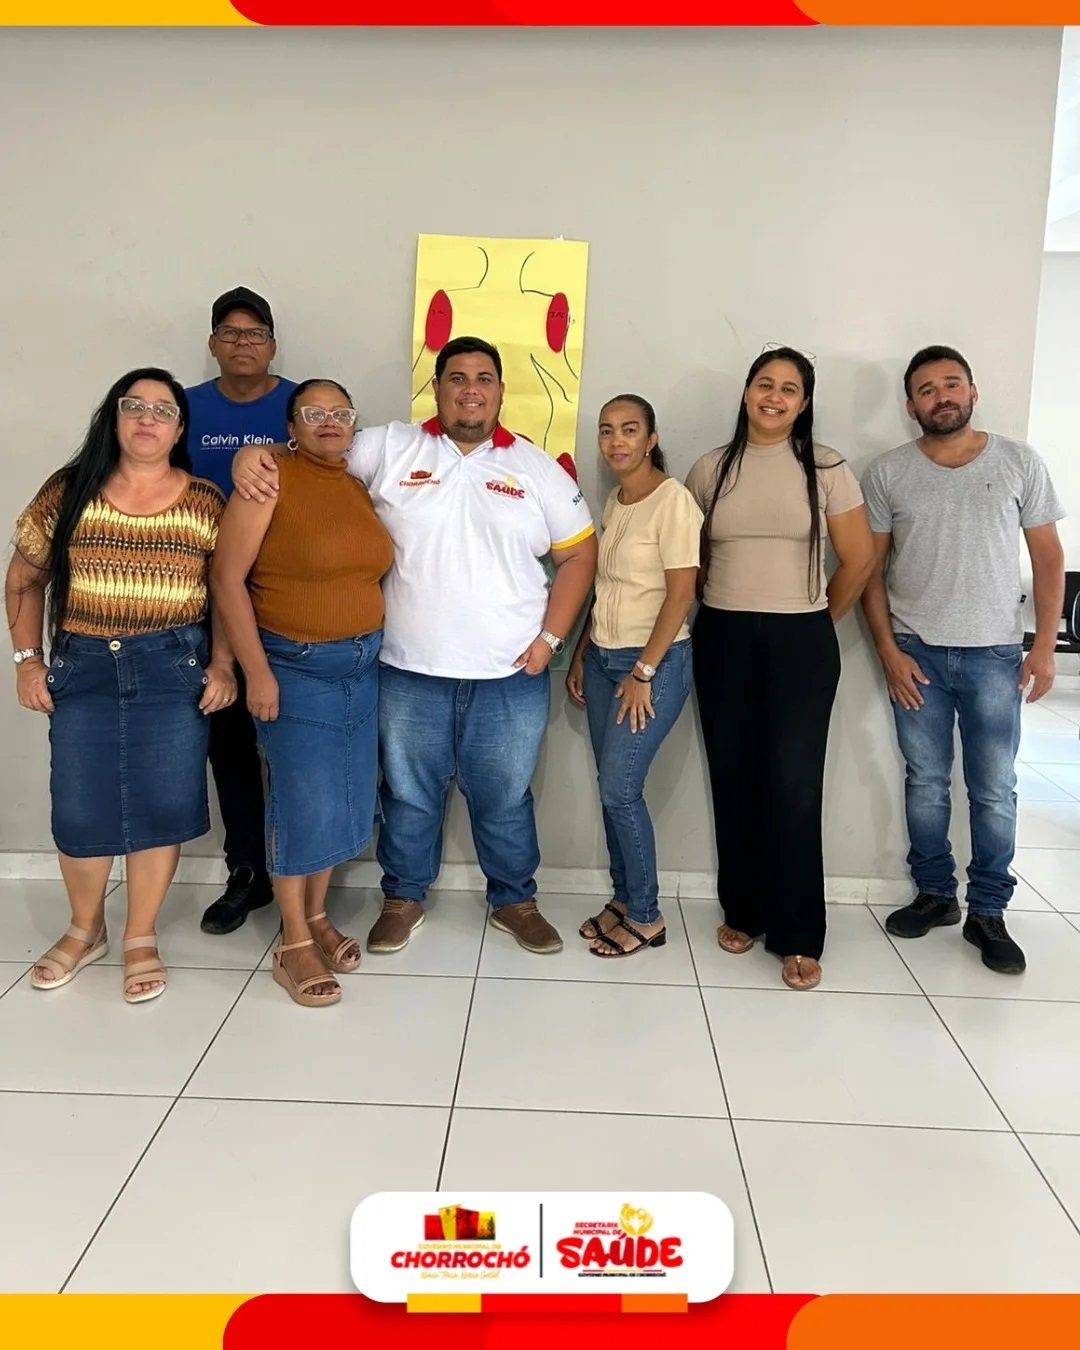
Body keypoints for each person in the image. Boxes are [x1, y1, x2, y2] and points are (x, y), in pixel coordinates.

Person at [232, 336, 597, 956]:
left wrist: (550, 640)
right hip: (406, 669)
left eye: (483, 378)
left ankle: (515, 900)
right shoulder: (389, 446)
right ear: (437, 388)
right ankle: (402, 898)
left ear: (500, 391)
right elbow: (315, 447)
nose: (470, 390)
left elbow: (581, 555)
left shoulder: (537, 468)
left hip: (510, 673)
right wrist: (254, 453)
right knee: (407, 795)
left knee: (506, 796)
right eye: (457, 378)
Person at [5, 368, 236, 1004]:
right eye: (134, 405)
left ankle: (140, 936)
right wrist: (27, 661)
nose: (147, 418)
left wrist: (222, 664)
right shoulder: (68, 490)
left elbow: (225, 593)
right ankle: (85, 930)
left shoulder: (205, 501)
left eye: (164, 410)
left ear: (180, 430)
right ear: (114, 417)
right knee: (80, 805)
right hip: (83, 669)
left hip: (172, 669)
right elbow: (24, 579)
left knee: (161, 805)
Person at [860, 345, 1066, 975]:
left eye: (951, 384)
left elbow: (1049, 557)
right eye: (927, 390)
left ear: (973, 392)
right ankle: (934, 894)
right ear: (911, 406)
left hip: (995, 655)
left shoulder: (1019, 462)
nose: (941, 397)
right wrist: (888, 651)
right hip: (916, 654)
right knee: (925, 782)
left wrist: (1044, 645)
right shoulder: (888, 473)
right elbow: (870, 572)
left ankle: (989, 911)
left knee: (994, 790)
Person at [686, 347, 874, 991]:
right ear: (746, 392)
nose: (774, 397)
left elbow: (858, 558)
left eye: (789, 389)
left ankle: (797, 932)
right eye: (764, 384)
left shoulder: (827, 468)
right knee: (733, 775)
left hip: (802, 640)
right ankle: (745, 910)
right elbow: (693, 558)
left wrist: (817, 619)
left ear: (804, 402)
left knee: (793, 785)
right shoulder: (711, 468)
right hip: (722, 634)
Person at [211, 379, 394, 1007]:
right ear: (291, 426)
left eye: (341, 413)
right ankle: (292, 943)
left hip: (361, 668)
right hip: (295, 669)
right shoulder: (269, 480)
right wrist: (256, 672)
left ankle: (317, 915)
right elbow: (227, 580)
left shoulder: (357, 487)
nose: (329, 422)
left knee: (342, 799)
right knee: (300, 802)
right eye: (313, 413)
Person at [566, 396, 701, 957]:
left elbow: (682, 593)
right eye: (606, 431)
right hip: (602, 660)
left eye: (629, 430)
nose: (616, 441)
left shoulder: (674, 501)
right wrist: (581, 653)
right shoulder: (616, 501)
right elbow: (605, 588)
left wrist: (644, 670)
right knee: (610, 786)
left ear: (651, 440)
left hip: (652, 665)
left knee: (620, 790)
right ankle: (623, 900)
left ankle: (646, 915)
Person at [186, 287, 298, 938]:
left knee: (295, 744)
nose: (243, 344)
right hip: (208, 603)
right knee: (228, 744)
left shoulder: (302, 404)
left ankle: (300, 873)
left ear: (273, 344)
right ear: (212, 344)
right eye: (230, 334)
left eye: (254, 334)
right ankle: (247, 871)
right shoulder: (187, 408)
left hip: (288, 602)